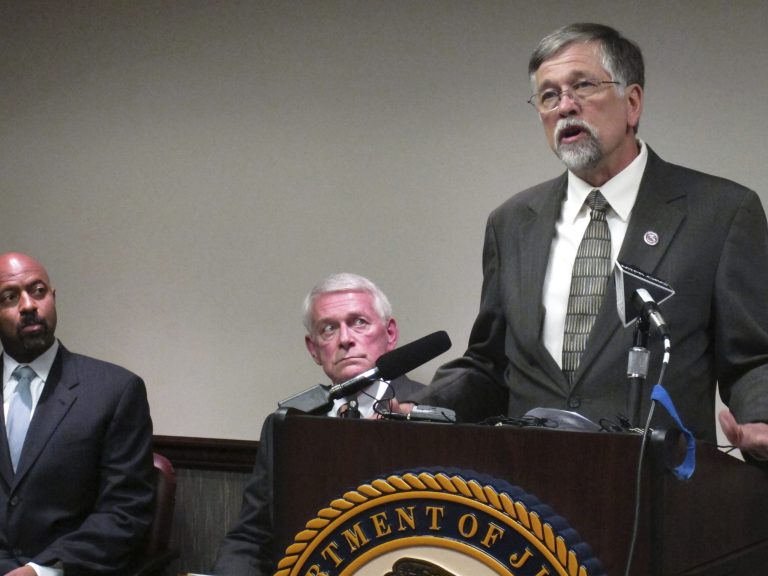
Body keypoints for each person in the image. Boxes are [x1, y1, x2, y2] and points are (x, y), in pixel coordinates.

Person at [410, 23, 768, 459]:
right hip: (529, 497)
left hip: (655, 492)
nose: (565, 106)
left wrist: (762, 419)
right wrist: (423, 408)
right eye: (548, 95)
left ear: (632, 102)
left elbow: (753, 359)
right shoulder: (512, 223)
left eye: (582, 86)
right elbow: (492, 364)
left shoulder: (719, 213)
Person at [212, 273, 425, 576]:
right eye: (329, 329)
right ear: (313, 349)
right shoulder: (289, 424)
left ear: (390, 334)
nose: (345, 339)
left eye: (359, 322)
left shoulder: (430, 414)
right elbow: (250, 538)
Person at [0, 252, 155, 575]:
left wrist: (41, 569)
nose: (28, 306)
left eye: (38, 291)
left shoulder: (114, 390)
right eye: (10, 297)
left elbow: (125, 511)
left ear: (53, 298)